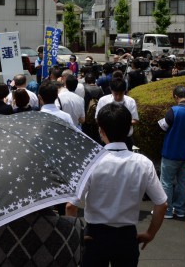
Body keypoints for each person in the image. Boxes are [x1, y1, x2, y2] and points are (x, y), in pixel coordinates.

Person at [70, 102, 167, 267]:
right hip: (126, 236)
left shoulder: (90, 161)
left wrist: (75, 236)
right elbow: (162, 204)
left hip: (95, 236)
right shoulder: (143, 162)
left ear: (101, 130)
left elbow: (70, 206)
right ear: (129, 129)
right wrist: (150, 233)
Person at [158, 86, 185, 219]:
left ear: (176, 97)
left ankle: (167, 210)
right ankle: (180, 209)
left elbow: (163, 126)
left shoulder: (173, 111)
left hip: (171, 152)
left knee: (166, 181)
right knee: (183, 181)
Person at [95, 77, 139, 150]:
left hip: (125, 139)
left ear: (125, 91)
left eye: (121, 94)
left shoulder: (130, 101)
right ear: (111, 90)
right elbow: (97, 119)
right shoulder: (103, 100)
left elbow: (135, 120)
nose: (118, 97)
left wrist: (119, 123)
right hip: (107, 138)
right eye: (115, 94)